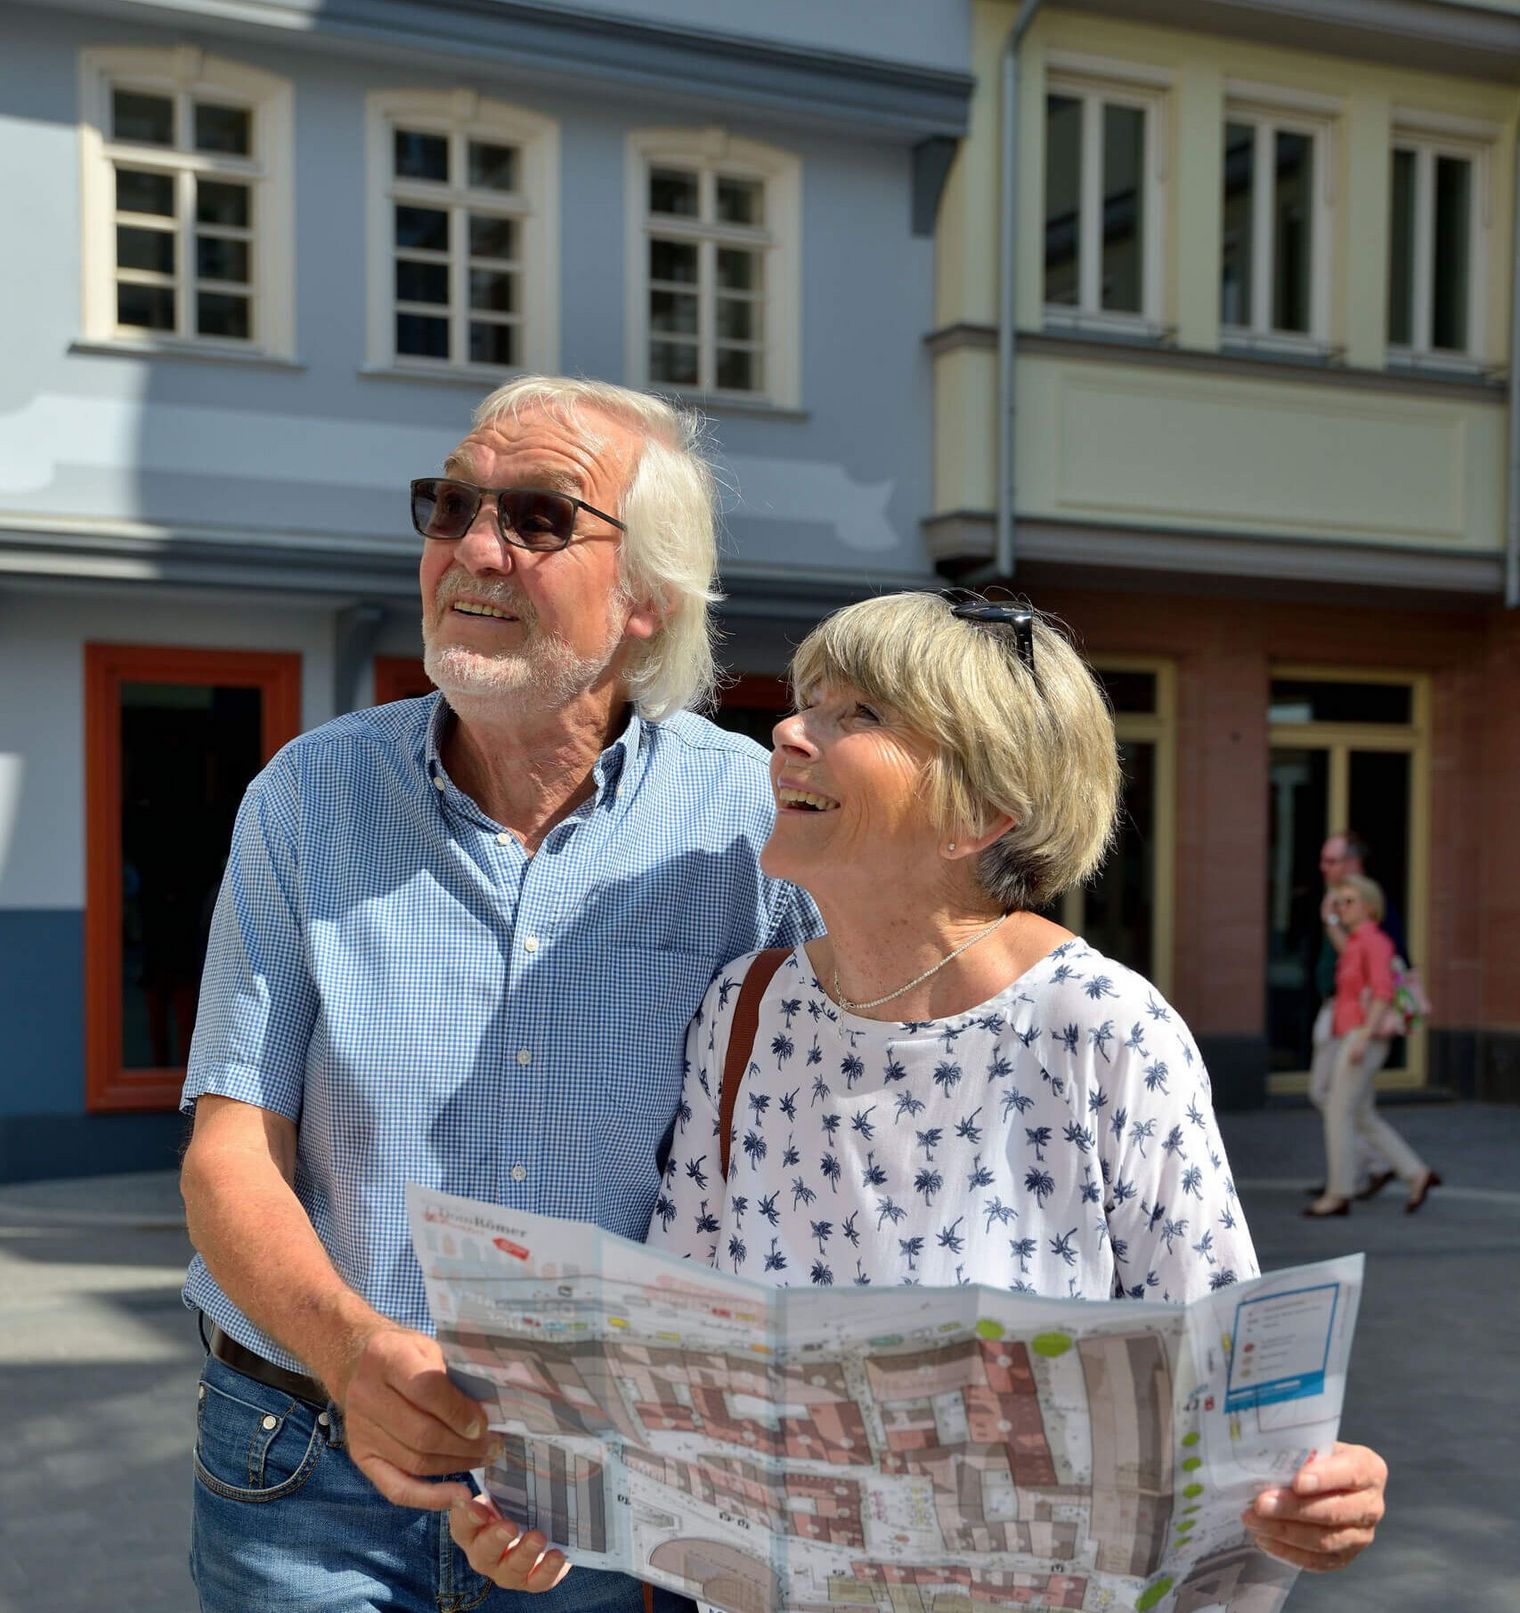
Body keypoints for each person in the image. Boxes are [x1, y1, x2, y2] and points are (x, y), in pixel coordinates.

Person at [453, 592, 1388, 1589]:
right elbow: (672, 1351)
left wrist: (1319, 1494)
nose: (786, 731)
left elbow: (1236, 1408)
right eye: (807, 702)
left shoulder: (1102, 1028)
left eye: (856, 715)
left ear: (982, 811)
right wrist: (556, 1506)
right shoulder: (747, 1006)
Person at [177, 376, 820, 1613]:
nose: (475, 546)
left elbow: (870, 1138)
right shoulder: (311, 795)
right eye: (453, 505)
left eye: (536, 516)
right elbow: (227, 1154)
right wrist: (357, 1356)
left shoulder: (753, 824)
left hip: (601, 1488)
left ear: (650, 598)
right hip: (304, 1461)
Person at [1304, 874, 1439, 1218]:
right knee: (1361, 1114)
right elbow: (1344, 946)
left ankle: (1338, 1193)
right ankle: (1417, 1174)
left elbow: (1383, 992)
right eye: (1339, 902)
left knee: (1338, 1112)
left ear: (1368, 906)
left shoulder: (1375, 942)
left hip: (1362, 1036)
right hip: (1355, 1034)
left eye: (1348, 902)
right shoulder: (1356, 941)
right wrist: (1329, 917)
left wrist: (1363, 1036)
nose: (1341, 908)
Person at [1307, 833, 1396, 1200]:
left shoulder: (1359, 904)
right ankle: (1366, 1168)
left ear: (1352, 863)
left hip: (1354, 1017)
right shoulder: (1341, 899)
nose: (1323, 868)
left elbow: (1366, 962)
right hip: (1339, 1010)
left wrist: (1331, 921)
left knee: (1336, 1099)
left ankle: (1359, 1172)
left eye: (1332, 861)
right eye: (1324, 860)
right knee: (1350, 1103)